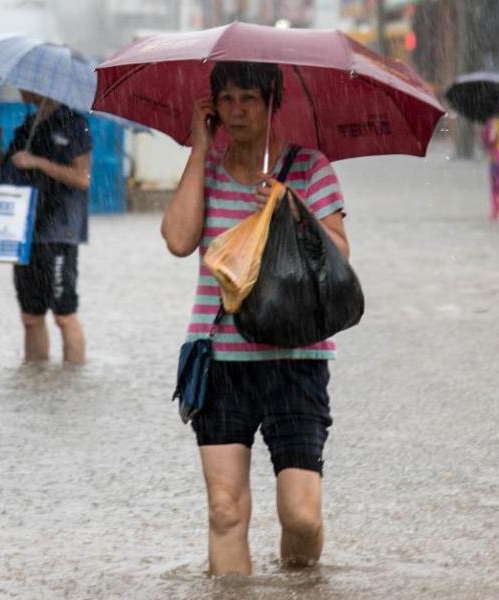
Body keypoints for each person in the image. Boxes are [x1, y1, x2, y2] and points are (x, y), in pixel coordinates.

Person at [161, 62, 349, 576]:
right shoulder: (209, 169)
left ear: (272, 102)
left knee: (302, 516)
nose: (237, 110)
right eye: (227, 99)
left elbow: (339, 256)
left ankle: (300, 581)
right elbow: (179, 241)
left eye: (249, 98)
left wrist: (293, 209)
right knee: (224, 510)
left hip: (296, 356)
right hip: (220, 357)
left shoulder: (310, 169)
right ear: (213, 107)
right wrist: (200, 151)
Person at [0, 90, 92, 364]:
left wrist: (38, 162)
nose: (21, 89)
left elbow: (82, 178)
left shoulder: (74, 123)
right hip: (25, 231)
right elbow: (5, 172)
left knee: (64, 315)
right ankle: (35, 380)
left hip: (59, 231)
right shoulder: (28, 126)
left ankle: (72, 385)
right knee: (31, 317)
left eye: (26, 85)